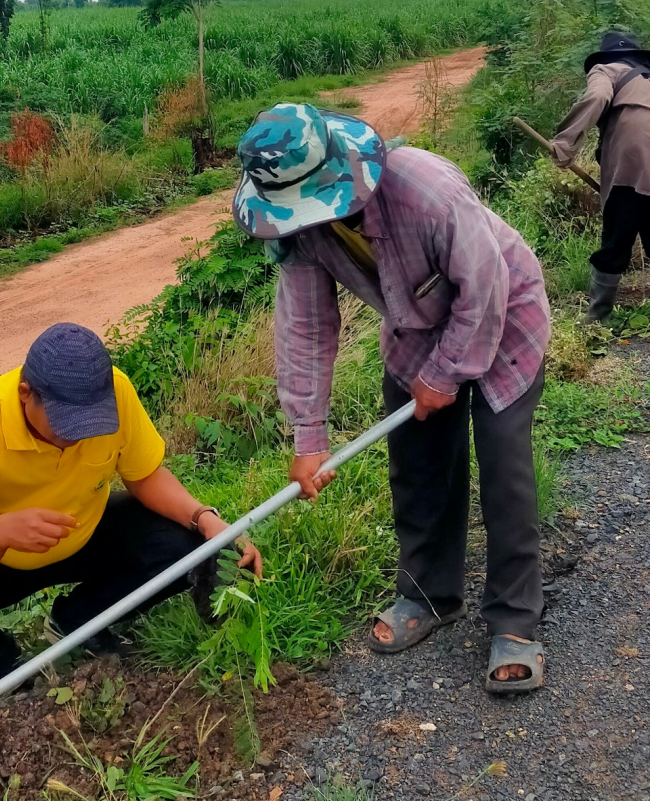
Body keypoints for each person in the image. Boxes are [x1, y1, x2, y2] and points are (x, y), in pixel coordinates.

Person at [232, 103, 551, 694]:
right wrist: (309, 436)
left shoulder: (426, 191)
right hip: (416, 331)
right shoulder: (301, 233)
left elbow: (485, 288)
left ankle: (514, 620)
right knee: (417, 463)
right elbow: (306, 327)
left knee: (503, 464)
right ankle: (429, 595)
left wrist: (447, 374)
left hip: (504, 317)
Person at [0, 322, 261, 725]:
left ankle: (78, 621)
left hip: (86, 532)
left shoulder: (115, 391)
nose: (80, 437)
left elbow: (144, 475)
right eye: (67, 426)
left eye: (91, 424)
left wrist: (205, 519)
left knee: (185, 542)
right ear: (25, 395)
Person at [548, 31, 650, 328]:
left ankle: (597, 318)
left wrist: (565, 143)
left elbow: (596, 96)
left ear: (606, 57)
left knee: (616, 241)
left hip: (638, 164)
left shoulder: (605, 69)